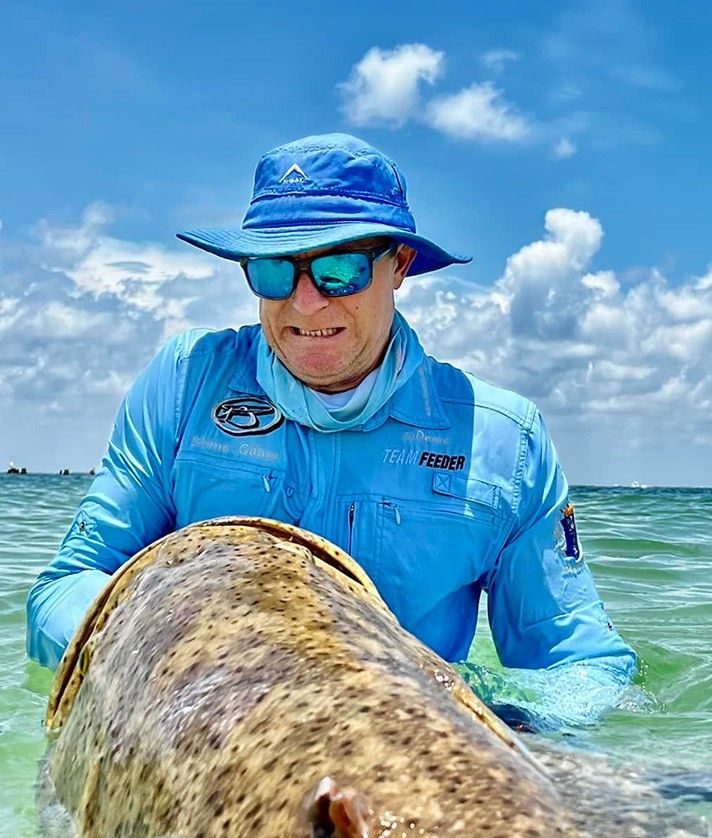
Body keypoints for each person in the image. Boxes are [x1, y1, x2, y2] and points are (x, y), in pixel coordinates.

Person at [26, 133, 636, 728]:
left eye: (339, 269)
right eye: (273, 271)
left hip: (401, 755)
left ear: (398, 265)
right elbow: (61, 593)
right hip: (202, 741)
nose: (305, 303)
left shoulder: (506, 441)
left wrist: (470, 708)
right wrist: (175, 650)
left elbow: (582, 666)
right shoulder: (185, 382)